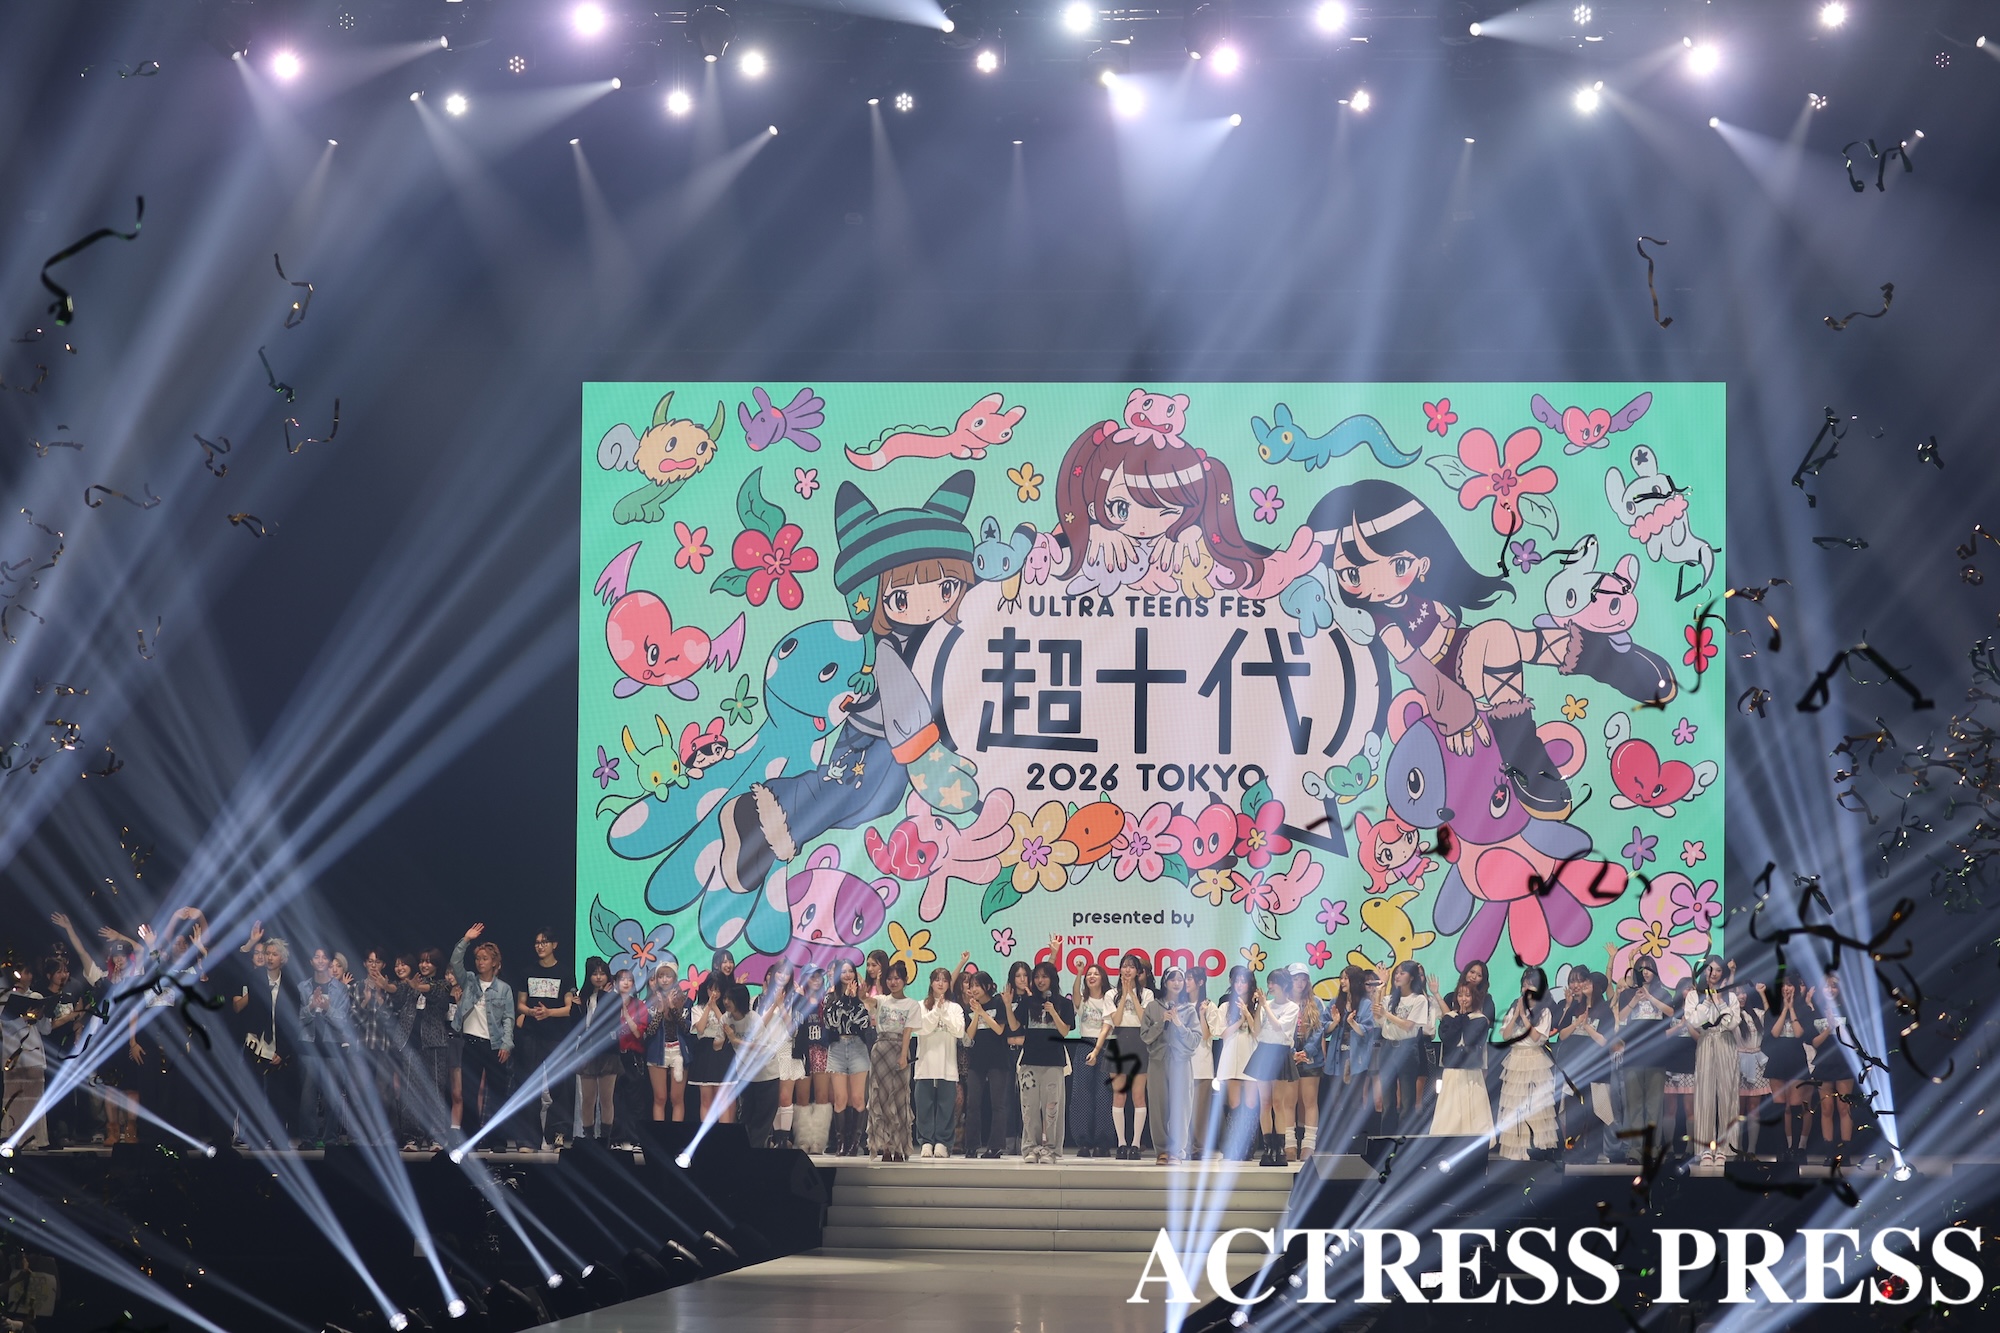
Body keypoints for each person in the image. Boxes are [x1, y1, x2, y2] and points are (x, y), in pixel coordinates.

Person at [448, 923, 516, 1150]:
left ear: (495, 962)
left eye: (485, 958)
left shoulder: (503, 989)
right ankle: (471, 1137)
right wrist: (466, 940)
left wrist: (506, 1043)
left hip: (494, 1045)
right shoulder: (469, 981)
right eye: (478, 958)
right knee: (469, 1092)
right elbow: (455, 962)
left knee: (496, 1094)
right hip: (471, 1043)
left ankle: (497, 1138)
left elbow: (508, 1018)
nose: (480, 962)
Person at [515, 927, 579, 1151]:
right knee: (530, 1085)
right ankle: (529, 1138)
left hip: (556, 1036)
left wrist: (549, 1012)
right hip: (531, 1035)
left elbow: (569, 1008)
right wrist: (531, 1012)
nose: (540, 946)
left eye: (544, 942)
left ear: (554, 945)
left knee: (559, 1086)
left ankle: (557, 1134)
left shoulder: (565, 972)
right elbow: (520, 1004)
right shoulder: (527, 972)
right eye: (537, 942)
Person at [1610, 956, 1675, 1164]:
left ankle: (1653, 1149)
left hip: (1657, 1055)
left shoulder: (1663, 993)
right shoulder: (1628, 993)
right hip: (1633, 1055)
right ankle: (1635, 1151)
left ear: (1655, 971)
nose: (1645, 972)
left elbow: (1671, 1013)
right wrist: (1635, 1000)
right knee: (1634, 1106)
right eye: (1641, 969)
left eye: (1649, 968)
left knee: (1654, 1106)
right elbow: (1620, 1017)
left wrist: (1650, 997)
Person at [1007, 960, 1074, 1164]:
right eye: (1036, 977)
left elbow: (1064, 1031)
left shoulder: (1064, 1003)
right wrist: (1007, 1006)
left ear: (1053, 979)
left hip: (1053, 1062)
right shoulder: (1028, 1002)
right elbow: (1014, 1026)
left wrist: (1053, 1012)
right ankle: (1031, 1147)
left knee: (1052, 1108)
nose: (1040, 980)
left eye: (1044, 976)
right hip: (1030, 1062)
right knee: (1029, 1107)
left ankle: (1051, 1149)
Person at [1685, 957, 1745, 1164]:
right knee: (1704, 1096)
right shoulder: (1694, 995)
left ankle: (1726, 1148)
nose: (1714, 973)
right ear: (1704, 971)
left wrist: (1720, 1001)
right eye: (1710, 969)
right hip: (1705, 1041)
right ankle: (1705, 1149)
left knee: (1728, 1096)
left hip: (1726, 1042)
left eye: (1718, 970)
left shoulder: (1730, 996)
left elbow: (1732, 1023)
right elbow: (1693, 1021)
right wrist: (1707, 1002)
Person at [1553, 969, 1615, 1161]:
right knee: (1573, 1112)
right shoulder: (1573, 1006)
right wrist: (1575, 1022)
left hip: (1595, 1069)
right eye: (1579, 982)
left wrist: (1587, 1027)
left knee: (1595, 1111)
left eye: (1586, 982)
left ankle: (1592, 1151)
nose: (1581, 985)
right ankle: (1572, 1149)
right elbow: (1561, 1035)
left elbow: (1606, 1042)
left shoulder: (1605, 1009)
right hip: (1573, 1069)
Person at [1096, 953, 1153, 1161]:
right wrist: (1124, 994)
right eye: (1124, 966)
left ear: (1138, 971)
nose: (1127, 970)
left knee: (1139, 1096)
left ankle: (1135, 1144)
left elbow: (1144, 1019)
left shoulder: (1147, 994)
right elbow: (1117, 1021)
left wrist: (1133, 994)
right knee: (1119, 1096)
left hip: (1139, 1043)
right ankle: (1121, 1144)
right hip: (1119, 1042)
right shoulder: (1111, 994)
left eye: (1131, 966)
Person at [1497, 967, 1558, 1160]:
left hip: (1534, 1060)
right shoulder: (1514, 1007)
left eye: (1531, 984)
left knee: (1535, 1105)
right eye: (1524, 984)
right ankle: (1516, 1150)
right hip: (1516, 1059)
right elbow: (1506, 1035)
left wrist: (1524, 1017)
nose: (1526, 988)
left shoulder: (1544, 1011)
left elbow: (1537, 1038)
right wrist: (1516, 1014)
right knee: (1514, 1105)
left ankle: (1535, 1149)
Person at [297, 946, 353, 1149]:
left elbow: (343, 1021)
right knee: (307, 1098)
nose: (320, 960)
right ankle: (308, 1138)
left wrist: (327, 1008)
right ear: (311, 961)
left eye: (324, 957)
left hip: (333, 1048)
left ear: (329, 961)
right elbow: (298, 1018)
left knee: (333, 1097)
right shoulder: (302, 987)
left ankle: (330, 1138)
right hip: (309, 1046)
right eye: (316, 956)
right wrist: (312, 1007)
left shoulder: (341, 989)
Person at [1374, 960, 1437, 1138]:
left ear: (1412, 977)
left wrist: (1386, 1013)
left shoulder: (1419, 999)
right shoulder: (1390, 999)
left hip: (1407, 1049)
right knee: (1388, 1101)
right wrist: (1380, 989)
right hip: (1388, 1048)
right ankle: (1385, 1141)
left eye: (1402, 973)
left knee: (1407, 1102)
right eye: (1396, 973)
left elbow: (1408, 1026)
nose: (1398, 976)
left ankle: (1403, 1142)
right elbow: (1377, 1018)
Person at [863, 962, 919, 1161]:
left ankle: (900, 1147)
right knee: (880, 1097)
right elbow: (867, 1000)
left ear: (905, 980)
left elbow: (908, 1032)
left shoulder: (912, 1004)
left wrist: (903, 1055)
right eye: (890, 978)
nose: (893, 982)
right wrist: (862, 993)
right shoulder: (882, 1000)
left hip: (899, 1049)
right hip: (880, 1050)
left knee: (900, 1098)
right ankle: (886, 1147)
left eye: (897, 978)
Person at [1321, 965, 1379, 1153]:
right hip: (1336, 1060)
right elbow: (1324, 1029)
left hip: (1356, 1061)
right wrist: (1335, 1022)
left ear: (1355, 981)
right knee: (1335, 1103)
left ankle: (1355, 1146)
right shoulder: (1335, 1003)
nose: (1342, 982)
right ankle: (1337, 1145)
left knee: (1354, 1103)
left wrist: (1352, 1022)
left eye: (1346, 978)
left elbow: (1366, 1031)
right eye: (1341, 978)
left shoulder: (1365, 1004)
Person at [1249, 964, 1301, 1166]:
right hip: (1263, 1051)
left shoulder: (1292, 1007)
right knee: (1265, 1103)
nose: (1270, 986)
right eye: (1269, 982)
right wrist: (1259, 1008)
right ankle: (1268, 1148)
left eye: (1274, 983)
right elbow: (1256, 1031)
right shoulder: (1266, 1004)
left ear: (1284, 985)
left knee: (1278, 1103)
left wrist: (1265, 1006)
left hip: (1280, 1053)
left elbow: (1279, 1027)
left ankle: (1280, 1148)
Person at [912, 965, 965, 1157]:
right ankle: (926, 1142)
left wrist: (944, 1013)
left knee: (946, 1106)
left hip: (947, 1065)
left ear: (949, 984)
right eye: (937, 980)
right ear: (931, 983)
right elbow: (921, 1028)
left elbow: (959, 1031)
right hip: (925, 1064)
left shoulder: (955, 1007)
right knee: (924, 1105)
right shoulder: (920, 1006)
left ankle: (943, 1143)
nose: (940, 983)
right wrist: (936, 1012)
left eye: (944, 980)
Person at [823, 962, 874, 1157]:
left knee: (858, 1098)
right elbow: (832, 1022)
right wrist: (845, 999)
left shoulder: (862, 997)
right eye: (843, 971)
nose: (847, 974)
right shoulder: (830, 996)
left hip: (857, 1048)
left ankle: (855, 1144)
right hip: (837, 1048)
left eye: (850, 971)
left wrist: (855, 1000)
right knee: (840, 1099)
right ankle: (841, 1143)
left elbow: (862, 1022)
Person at [406, 949, 455, 1151]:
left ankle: (437, 1137)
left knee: (435, 1090)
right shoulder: (413, 984)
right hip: (412, 1042)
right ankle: (413, 1137)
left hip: (435, 1043)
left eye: (428, 962)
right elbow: (399, 995)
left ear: (436, 964)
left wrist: (419, 987)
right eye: (422, 961)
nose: (424, 965)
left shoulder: (443, 984)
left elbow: (436, 993)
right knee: (413, 1091)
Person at [1433, 982, 1495, 1141]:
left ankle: (1473, 1141)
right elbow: (1448, 1039)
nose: (1463, 999)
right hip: (1452, 1070)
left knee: (1473, 1108)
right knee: (1450, 1108)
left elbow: (1470, 1039)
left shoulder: (1480, 1019)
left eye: (1468, 995)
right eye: (1460, 995)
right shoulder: (1449, 1017)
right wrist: (1458, 1017)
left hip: (1471, 1071)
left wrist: (1463, 1017)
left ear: (1474, 998)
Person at [1214, 966, 1264, 1160]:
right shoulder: (1225, 1006)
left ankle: (1249, 1146)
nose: (1240, 985)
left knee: (1251, 1102)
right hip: (1231, 1056)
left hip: (1251, 1055)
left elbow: (1257, 1033)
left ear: (1250, 984)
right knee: (1234, 1103)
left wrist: (1249, 1013)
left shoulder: (1257, 1005)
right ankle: (1233, 1146)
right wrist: (1239, 1019)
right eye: (1237, 981)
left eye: (1244, 981)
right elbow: (1222, 1034)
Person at [1761, 975, 1813, 1159]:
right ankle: (1781, 1149)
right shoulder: (1772, 1010)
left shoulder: (1803, 1008)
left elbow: (1799, 1034)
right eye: (1783, 985)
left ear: (1795, 988)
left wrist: (1791, 1009)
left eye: (1789, 985)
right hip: (1777, 1061)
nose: (1786, 988)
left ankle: (1796, 1149)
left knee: (1796, 1106)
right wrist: (1783, 1010)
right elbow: (1774, 1033)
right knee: (1779, 1106)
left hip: (1796, 1060)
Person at [960, 971, 1010, 1159]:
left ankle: (995, 1146)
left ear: (988, 986)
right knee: (972, 1104)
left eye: (977, 985)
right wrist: (975, 1013)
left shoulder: (998, 1002)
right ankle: (971, 1145)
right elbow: (968, 1037)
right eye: (971, 985)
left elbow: (999, 1029)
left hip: (997, 1059)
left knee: (998, 1104)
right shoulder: (969, 1008)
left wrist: (982, 1012)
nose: (973, 989)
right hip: (977, 1060)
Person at [0, 966, 51, 1150]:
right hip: (12, 1056)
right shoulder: (4, 997)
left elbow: (46, 1029)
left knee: (34, 1100)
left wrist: (41, 1016)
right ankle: (12, 1138)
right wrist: (24, 1018)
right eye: (22, 972)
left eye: (29, 972)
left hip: (34, 1055)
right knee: (13, 1099)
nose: (26, 976)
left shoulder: (36, 996)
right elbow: (5, 1026)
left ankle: (35, 1139)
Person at [1811, 972, 1857, 1165]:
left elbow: (1853, 1040)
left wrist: (1837, 1027)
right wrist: (1828, 1028)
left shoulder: (1848, 1009)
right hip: (1824, 1063)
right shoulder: (1815, 1010)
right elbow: (1814, 1042)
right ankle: (1829, 1152)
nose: (1830, 989)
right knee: (1826, 1108)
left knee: (1844, 1107)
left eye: (1834, 986)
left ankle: (1845, 1153)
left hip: (1844, 1062)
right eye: (1826, 986)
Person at [1070, 962, 1114, 1157]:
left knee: (1104, 1095)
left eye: (1096, 974)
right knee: (1081, 1095)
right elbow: (1075, 993)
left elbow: (1107, 1025)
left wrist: (1097, 1051)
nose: (1092, 976)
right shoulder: (1083, 999)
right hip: (1085, 1044)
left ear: (1103, 978)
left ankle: (1102, 1142)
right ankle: (1083, 1142)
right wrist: (1079, 972)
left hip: (1106, 1046)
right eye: (1089, 974)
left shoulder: (1109, 999)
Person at [576, 958, 620, 1142]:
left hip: (607, 1051)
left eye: (602, 973)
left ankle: (605, 1138)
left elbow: (602, 1022)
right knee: (588, 1099)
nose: (599, 977)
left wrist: (602, 996)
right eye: (595, 974)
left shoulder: (614, 997)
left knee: (606, 1099)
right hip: (587, 1050)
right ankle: (588, 1137)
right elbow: (578, 1025)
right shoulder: (583, 997)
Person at [687, 970, 733, 1123]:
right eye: (711, 989)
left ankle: (724, 1134)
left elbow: (727, 1028)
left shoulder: (727, 1009)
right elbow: (700, 1029)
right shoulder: (697, 1009)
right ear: (706, 989)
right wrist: (708, 1006)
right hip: (704, 1053)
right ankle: (707, 1134)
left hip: (722, 1052)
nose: (714, 993)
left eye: (718, 990)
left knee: (722, 1100)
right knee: (706, 1099)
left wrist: (715, 1007)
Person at [612, 970, 651, 1148]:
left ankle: (636, 1138)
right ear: (615, 983)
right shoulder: (610, 1004)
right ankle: (616, 1138)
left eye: (629, 980)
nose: (626, 983)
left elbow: (638, 1033)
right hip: (614, 1055)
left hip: (633, 1055)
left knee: (635, 1099)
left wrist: (626, 1015)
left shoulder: (639, 1005)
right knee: (615, 1098)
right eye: (622, 980)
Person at [646, 963, 686, 1123]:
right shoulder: (650, 1002)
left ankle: (676, 1134)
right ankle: (659, 1135)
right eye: (661, 976)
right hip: (657, 1051)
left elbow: (686, 1028)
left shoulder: (685, 1000)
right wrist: (660, 1011)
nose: (664, 980)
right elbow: (649, 1031)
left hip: (679, 1052)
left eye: (668, 976)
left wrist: (672, 1007)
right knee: (660, 1097)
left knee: (677, 1098)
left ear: (674, 978)